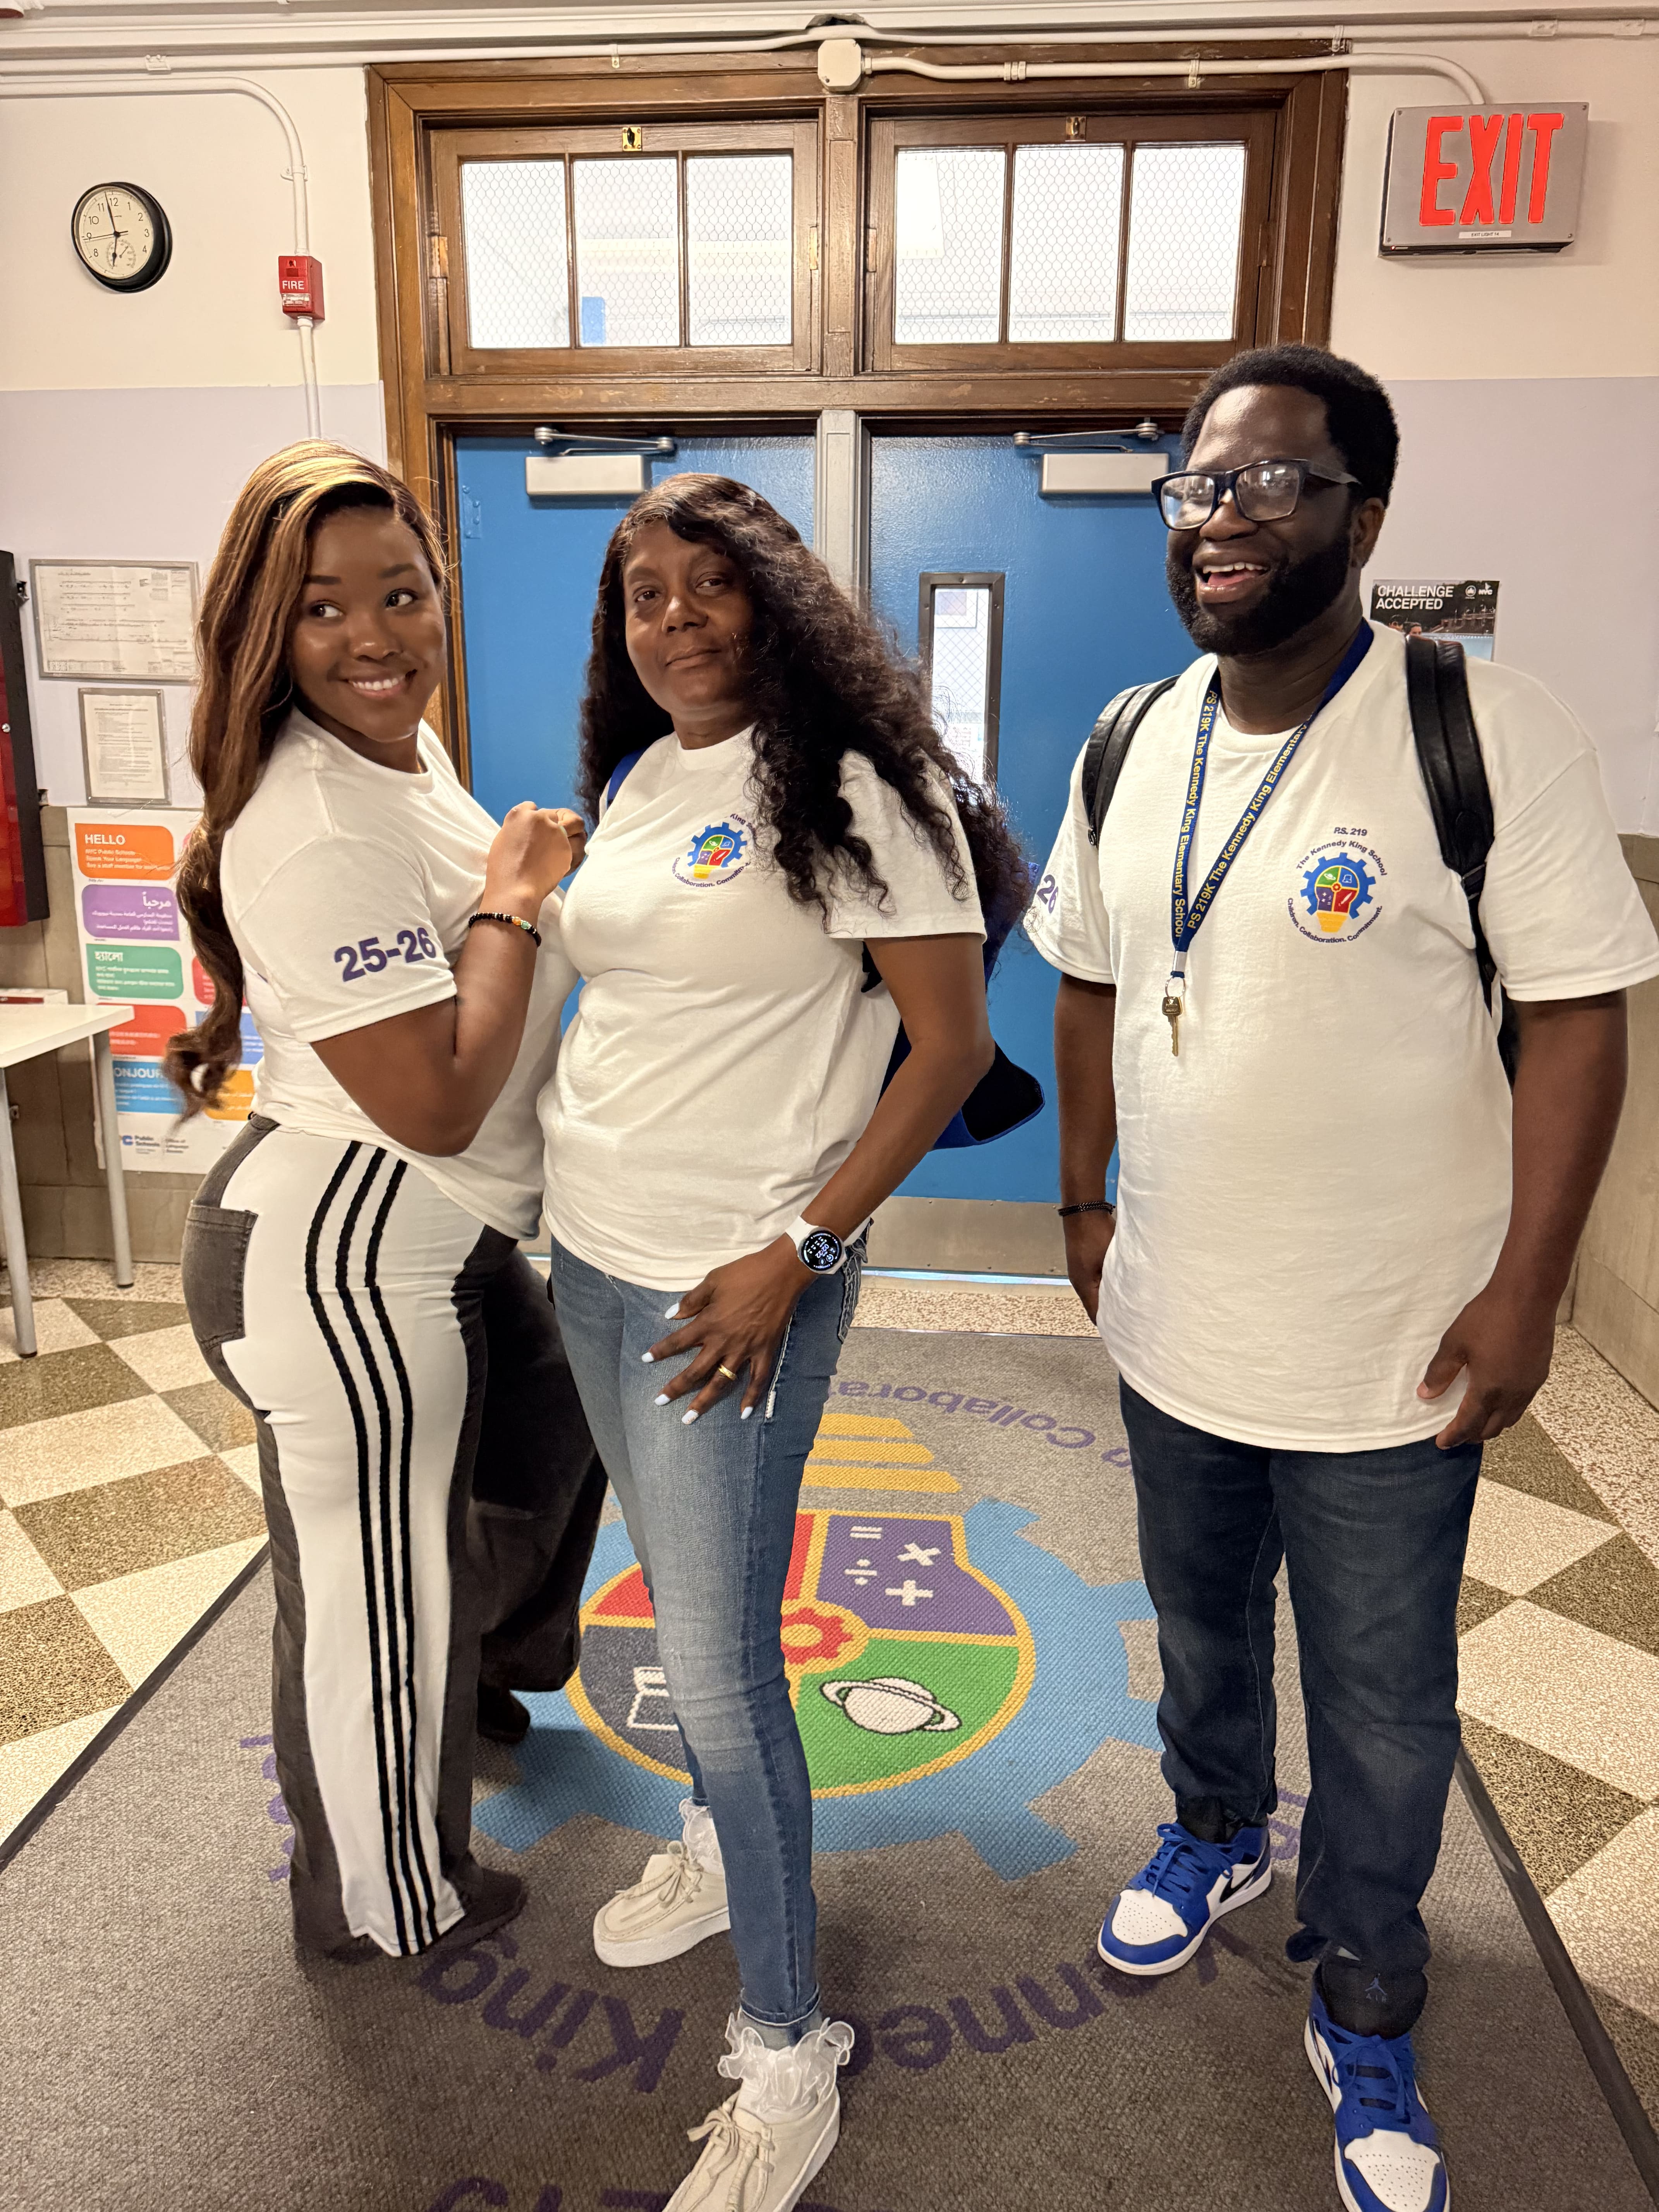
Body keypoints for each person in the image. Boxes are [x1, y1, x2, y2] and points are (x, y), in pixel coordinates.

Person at [1027, 345, 1659, 2212]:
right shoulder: (1132, 737)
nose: (1219, 516)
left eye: (1270, 485)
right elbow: (1079, 979)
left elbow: (1577, 1024)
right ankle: (1213, 1829)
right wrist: (1083, 1211)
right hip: (1174, 1323)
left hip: (1399, 1349)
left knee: (1384, 1703)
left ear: (1363, 522)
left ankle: (1369, 1983)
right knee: (1205, 1630)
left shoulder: (1484, 724)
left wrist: (1531, 1291)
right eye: (1196, 486)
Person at [541, 474, 1025, 2212]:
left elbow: (952, 1049)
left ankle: (788, 2044)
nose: (671, 617)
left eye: (706, 587)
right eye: (643, 593)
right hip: (590, 1258)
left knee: (730, 1670)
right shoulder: (640, 779)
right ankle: (707, 1855)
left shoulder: (854, 788)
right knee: (679, 1607)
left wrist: (802, 1248)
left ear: (779, 601)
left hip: (728, 1285)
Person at [168, 442, 606, 1961]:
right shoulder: (312, 815)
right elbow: (436, 1092)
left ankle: (461, 1664)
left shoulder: (395, 751)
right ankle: (381, 1897)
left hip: (442, 1233)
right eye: (323, 609)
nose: (375, 636)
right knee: (367, 1590)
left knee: (555, 1442)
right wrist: (515, 893)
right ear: (264, 634)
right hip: (347, 1246)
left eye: (402, 594)